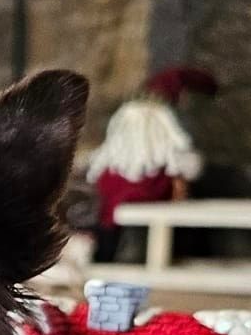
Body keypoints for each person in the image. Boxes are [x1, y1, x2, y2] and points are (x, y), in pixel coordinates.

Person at [85, 67, 216, 260]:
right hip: (148, 211)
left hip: (118, 215)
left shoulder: (115, 158)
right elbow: (182, 182)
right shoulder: (167, 150)